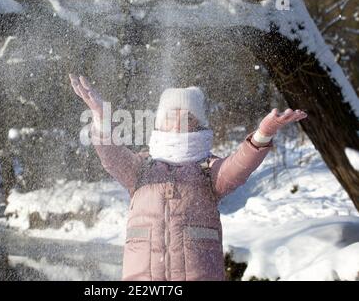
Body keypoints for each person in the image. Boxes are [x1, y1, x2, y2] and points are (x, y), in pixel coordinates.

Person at [69, 73, 308, 281]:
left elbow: (238, 166)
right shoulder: (140, 169)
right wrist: (100, 116)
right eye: (172, 114)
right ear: (161, 122)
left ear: (198, 123)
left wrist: (262, 134)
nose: (180, 119)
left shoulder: (209, 170)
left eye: (188, 115)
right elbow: (110, 154)